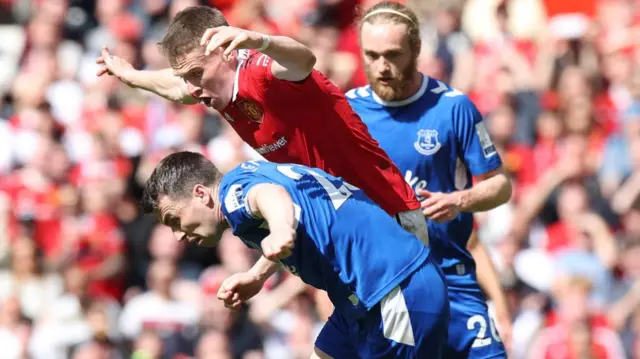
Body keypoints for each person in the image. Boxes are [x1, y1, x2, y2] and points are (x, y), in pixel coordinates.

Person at [95, 6, 428, 246]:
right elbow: (177, 87)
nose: (193, 86)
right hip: (342, 220)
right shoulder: (217, 90)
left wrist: (258, 40)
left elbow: (304, 60)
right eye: (187, 76)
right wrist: (132, 76)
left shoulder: (262, 71)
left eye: (197, 73)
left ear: (225, 52)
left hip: (389, 213)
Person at [141, 151, 449, 359]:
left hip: (393, 290)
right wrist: (257, 275)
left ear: (200, 193)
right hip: (362, 299)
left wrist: (280, 229)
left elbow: (271, 197)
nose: (179, 234)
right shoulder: (248, 173)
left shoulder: (234, 196)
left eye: (174, 220)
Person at [346, 2, 513, 358]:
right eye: (371, 55)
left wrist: (458, 200)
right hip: (387, 286)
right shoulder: (347, 113)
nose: (382, 67)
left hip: (452, 277)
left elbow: (500, 185)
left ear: (417, 50)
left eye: (393, 55)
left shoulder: (452, 108)